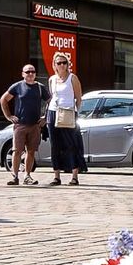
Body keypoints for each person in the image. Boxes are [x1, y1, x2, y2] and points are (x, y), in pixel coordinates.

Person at [0, 62, 49, 186]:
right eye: (28, 72)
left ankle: (27, 176)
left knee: (31, 151)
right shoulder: (17, 86)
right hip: (20, 125)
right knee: (17, 151)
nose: (31, 74)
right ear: (23, 74)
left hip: (35, 125)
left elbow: (51, 101)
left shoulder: (39, 87)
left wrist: (45, 117)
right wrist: (8, 116)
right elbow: (4, 99)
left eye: (33, 71)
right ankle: (15, 176)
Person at [47, 52, 83, 186]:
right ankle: (56, 176)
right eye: (59, 63)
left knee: (71, 144)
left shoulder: (72, 78)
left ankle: (74, 176)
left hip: (68, 113)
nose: (62, 65)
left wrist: (75, 113)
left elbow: (79, 98)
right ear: (54, 65)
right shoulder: (52, 79)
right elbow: (52, 96)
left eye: (64, 62)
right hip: (53, 112)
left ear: (68, 64)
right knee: (54, 145)